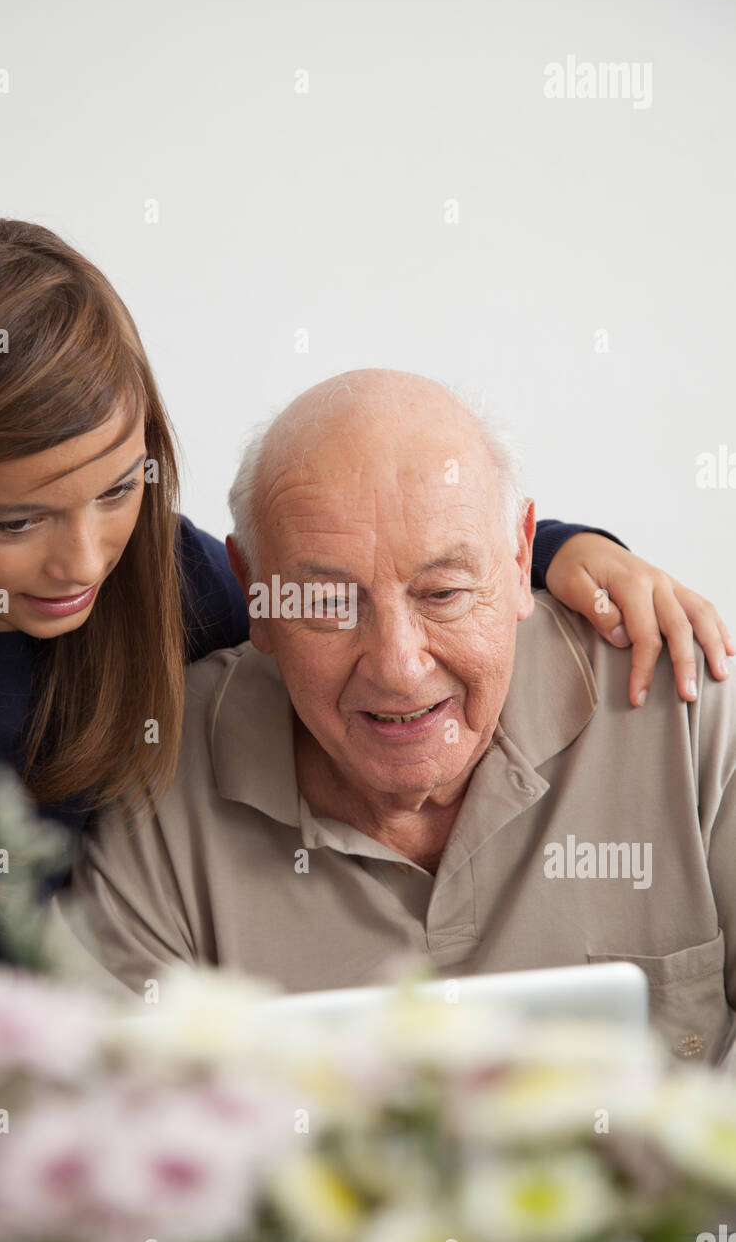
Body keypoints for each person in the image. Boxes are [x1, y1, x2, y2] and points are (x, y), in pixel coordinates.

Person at [0, 222, 727, 998]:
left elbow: (368, 550)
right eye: (16, 523)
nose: (86, 558)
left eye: (121, 489)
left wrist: (565, 552)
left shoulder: (162, 581)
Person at [52, 369, 736, 1069]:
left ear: (523, 554)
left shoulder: (683, 708)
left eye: (443, 592)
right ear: (255, 595)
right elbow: (119, 1127)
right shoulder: (158, 782)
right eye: (328, 604)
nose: (399, 667)